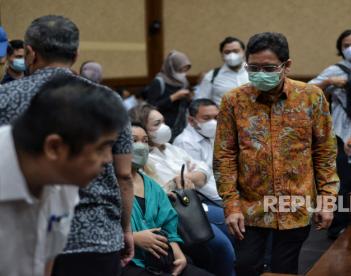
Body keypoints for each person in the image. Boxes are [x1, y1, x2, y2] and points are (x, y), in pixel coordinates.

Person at [0, 15, 134, 276]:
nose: (107, 158)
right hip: (96, 236)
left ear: (29, 53)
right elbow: (124, 175)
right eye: (100, 148)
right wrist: (125, 228)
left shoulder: (4, 98)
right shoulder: (106, 99)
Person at [214, 32, 339, 275]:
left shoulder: (311, 97)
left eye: (269, 67)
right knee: (246, 266)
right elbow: (224, 156)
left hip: (295, 204)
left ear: (287, 66)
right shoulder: (233, 101)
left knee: (285, 269)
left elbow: (325, 152)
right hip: (249, 207)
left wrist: (327, 200)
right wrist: (231, 205)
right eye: (253, 67)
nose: (260, 73)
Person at [129, 103, 236, 276]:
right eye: (156, 124)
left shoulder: (170, 149)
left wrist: (175, 248)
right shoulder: (141, 163)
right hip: (183, 209)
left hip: (192, 203)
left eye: (163, 122)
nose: (164, 127)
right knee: (223, 243)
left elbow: (203, 170)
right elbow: (169, 188)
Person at [309, 29, 351, 238]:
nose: (350, 49)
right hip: (340, 131)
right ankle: (337, 225)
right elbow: (308, 90)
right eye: (346, 45)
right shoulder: (334, 69)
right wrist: (329, 82)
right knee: (341, 179)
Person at [122, 124, 213, 276]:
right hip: (127, 261)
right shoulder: (106, 186)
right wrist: (133, 238)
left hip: (162, 258)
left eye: (145, 141)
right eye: (134, 140)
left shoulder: (152, 186)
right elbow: (96, 234)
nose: (141, 146)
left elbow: (168, 224)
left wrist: (178, 255)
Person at [143, 50, 193, 140]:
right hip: (162, 128)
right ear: (172, 68)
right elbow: (150, 108)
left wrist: (189, 99)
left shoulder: (184, 82)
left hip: (181, 127)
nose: (183, 73)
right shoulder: (159, 82)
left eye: (186, 69)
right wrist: (173, 97)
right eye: (180, 69)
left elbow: (186, 106)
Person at [197, 37, 249, 105]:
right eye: (227, 52)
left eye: (236, 51)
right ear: (222, 55)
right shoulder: (212, 76)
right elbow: (201, 101)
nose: (232, 55)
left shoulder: (255, 72)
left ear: (243, 52)